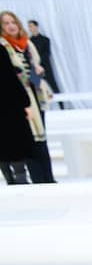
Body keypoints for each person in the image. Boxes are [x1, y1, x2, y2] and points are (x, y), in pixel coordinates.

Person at [1, 10, 55, 183]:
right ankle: (37, 179)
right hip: (18, 100)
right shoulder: (4, 47)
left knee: (41, 138)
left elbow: (34, 72)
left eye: (13, 22)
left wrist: (37, 73)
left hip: (36, 96)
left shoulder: (27, 44)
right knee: (28, 139)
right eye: (6, 23)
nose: (10, 26)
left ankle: (48, 178)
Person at [0, 36, 35, 184]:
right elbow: (9, 77)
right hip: (8, 105)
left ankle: (12, 180)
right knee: (13, 145)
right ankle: (19, 179)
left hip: (8, 105)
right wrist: (24, 102)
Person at [26, 20, 60, 95]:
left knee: (53, 86)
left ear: (36, 26)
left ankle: (62, 106)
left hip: (45, 66)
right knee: (36, 88)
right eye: (29, 26)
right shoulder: (29, 41)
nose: (30, 28)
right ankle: (41, 106)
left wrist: (40, 64)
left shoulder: (45, 39)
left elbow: (47, 53)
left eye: (31, 26)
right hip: (35, 67)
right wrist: (35, 65)